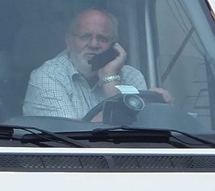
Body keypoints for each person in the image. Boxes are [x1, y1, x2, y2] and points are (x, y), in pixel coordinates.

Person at [22, 7, 171, 119]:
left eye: (103, 38)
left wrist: (155, 111)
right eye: (85, 36)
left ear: (114, 45)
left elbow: (136, 133)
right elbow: (72, 136)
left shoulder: (131, 76)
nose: (94, 44)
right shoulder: (46, 77)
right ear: (69, 42)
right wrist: (131, 112)